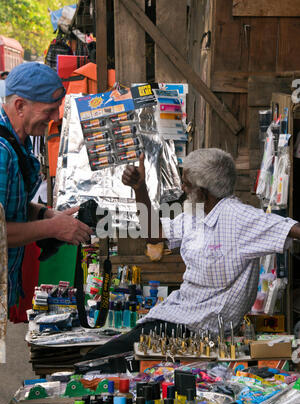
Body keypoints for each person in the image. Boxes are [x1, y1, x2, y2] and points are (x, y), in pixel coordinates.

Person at [82, 148, 300, 361]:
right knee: (98, 360)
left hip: (196, 328)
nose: (182, 188)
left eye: (186, 183)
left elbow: (292, 230)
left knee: (96, 363)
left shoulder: (239, 217)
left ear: (204, 190)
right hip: (174, 317)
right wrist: (140, 189)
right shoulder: (195, 213)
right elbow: (153, 234)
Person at [0, 62, 93, 310]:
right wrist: (52, 227)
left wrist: (45, 214)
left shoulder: (19, 141)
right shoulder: (1, 151)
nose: (55, 118)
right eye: (49, 110)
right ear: (20, 106)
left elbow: (9, 206)